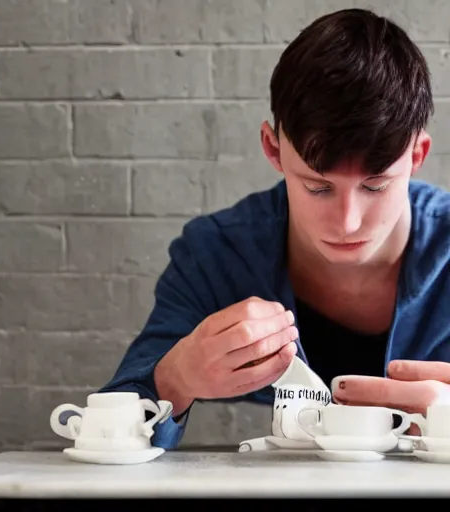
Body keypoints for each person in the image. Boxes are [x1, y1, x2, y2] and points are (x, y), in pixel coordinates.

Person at [99, 8, 450, 449]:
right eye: (318, 187)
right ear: (273, 148)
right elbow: (108, 425)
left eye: (375, 185)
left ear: (417, 156)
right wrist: (175, 377)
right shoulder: (217, 254)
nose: (348, 222)